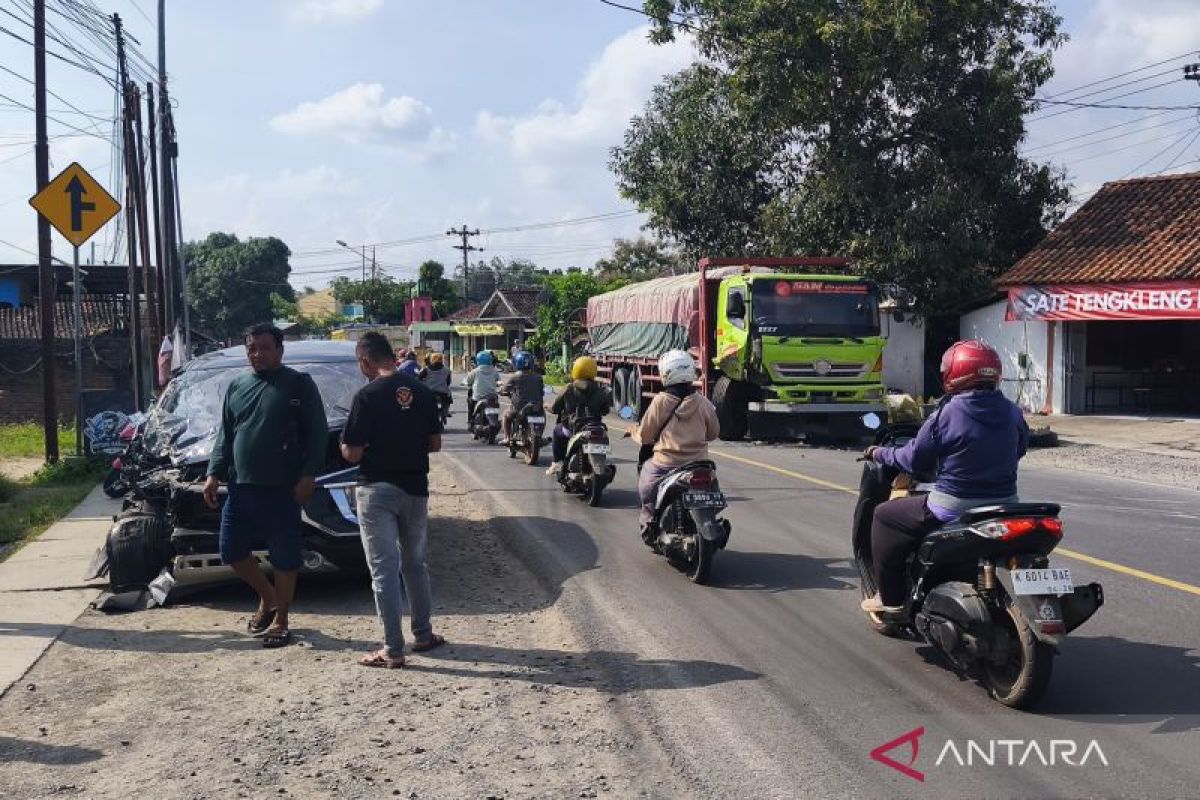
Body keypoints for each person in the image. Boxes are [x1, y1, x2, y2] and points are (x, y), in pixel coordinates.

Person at [861, 340, 1029, 614]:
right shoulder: (1012, 411)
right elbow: (1020, 449)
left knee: (884, 515)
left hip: (954, 506)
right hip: (1005, 505)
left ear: (954, 372)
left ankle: (889, 598)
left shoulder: (948, 413)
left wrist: (880, 453)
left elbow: (912, 459)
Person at [203, 323, 328, 649]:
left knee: (285, 557)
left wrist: (308, 475)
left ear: (279, 350)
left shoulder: (298, 385)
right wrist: (214, 473)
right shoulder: (237, 386)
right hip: (241, 486)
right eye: (251, 348)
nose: (257, 354)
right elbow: (225, 435)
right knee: (231, 550)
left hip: (283, 487)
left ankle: (282, 619)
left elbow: (318, 432)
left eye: (264, 348)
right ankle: (268, 597)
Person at [340, 332, 446, 668]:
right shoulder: (423, 392)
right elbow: (435, 445)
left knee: (383, 571)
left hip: (377, 490)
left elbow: (352, 454)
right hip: (415, 489)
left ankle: (393, 649)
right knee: (415, 564)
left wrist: (349, 447)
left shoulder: (366, 395)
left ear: (364, 361)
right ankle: (424, 634)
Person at [630, 350, 719, 541]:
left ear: (665, 373)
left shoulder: (660, 401)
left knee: (646, 486)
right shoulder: (703, 402)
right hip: (699, 465)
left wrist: (634, 432)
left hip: (665, 466)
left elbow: (646, 436)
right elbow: (713, 433)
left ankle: (648, 523)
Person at [546, 356, 612, 477]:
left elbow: (556, 408)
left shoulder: (569, 388)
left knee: (557, 431)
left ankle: (557, 462)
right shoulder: (600, 391)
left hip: (573, 428)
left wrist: (548, 408)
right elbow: (605, 411)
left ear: (576, 370)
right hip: (595, 428)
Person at [499, 350, 544, 444]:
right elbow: (541, 392)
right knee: (542, 417)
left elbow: (505, 389)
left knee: (506, 416)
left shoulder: (516, 376)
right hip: (536, 407)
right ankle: (540, 436)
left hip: (519, 408)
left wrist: (501, 391)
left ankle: (507, 438)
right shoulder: (538, 377)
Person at [465, 349, 500, 420]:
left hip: (478, 397)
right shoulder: (494, 371)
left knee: (470, 402)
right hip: (492, 397)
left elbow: (468, 381)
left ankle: (470, 419)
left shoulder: (475, 371)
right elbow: (498, 381)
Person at [420, 352, 453, 417]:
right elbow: (448, 382)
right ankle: (446, 411)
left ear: (432, 359)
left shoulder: (426, 369)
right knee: (448, 398)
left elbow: (419, 379)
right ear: (441, 359)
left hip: (429, 393)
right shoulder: (447, 370)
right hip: (443, 394)